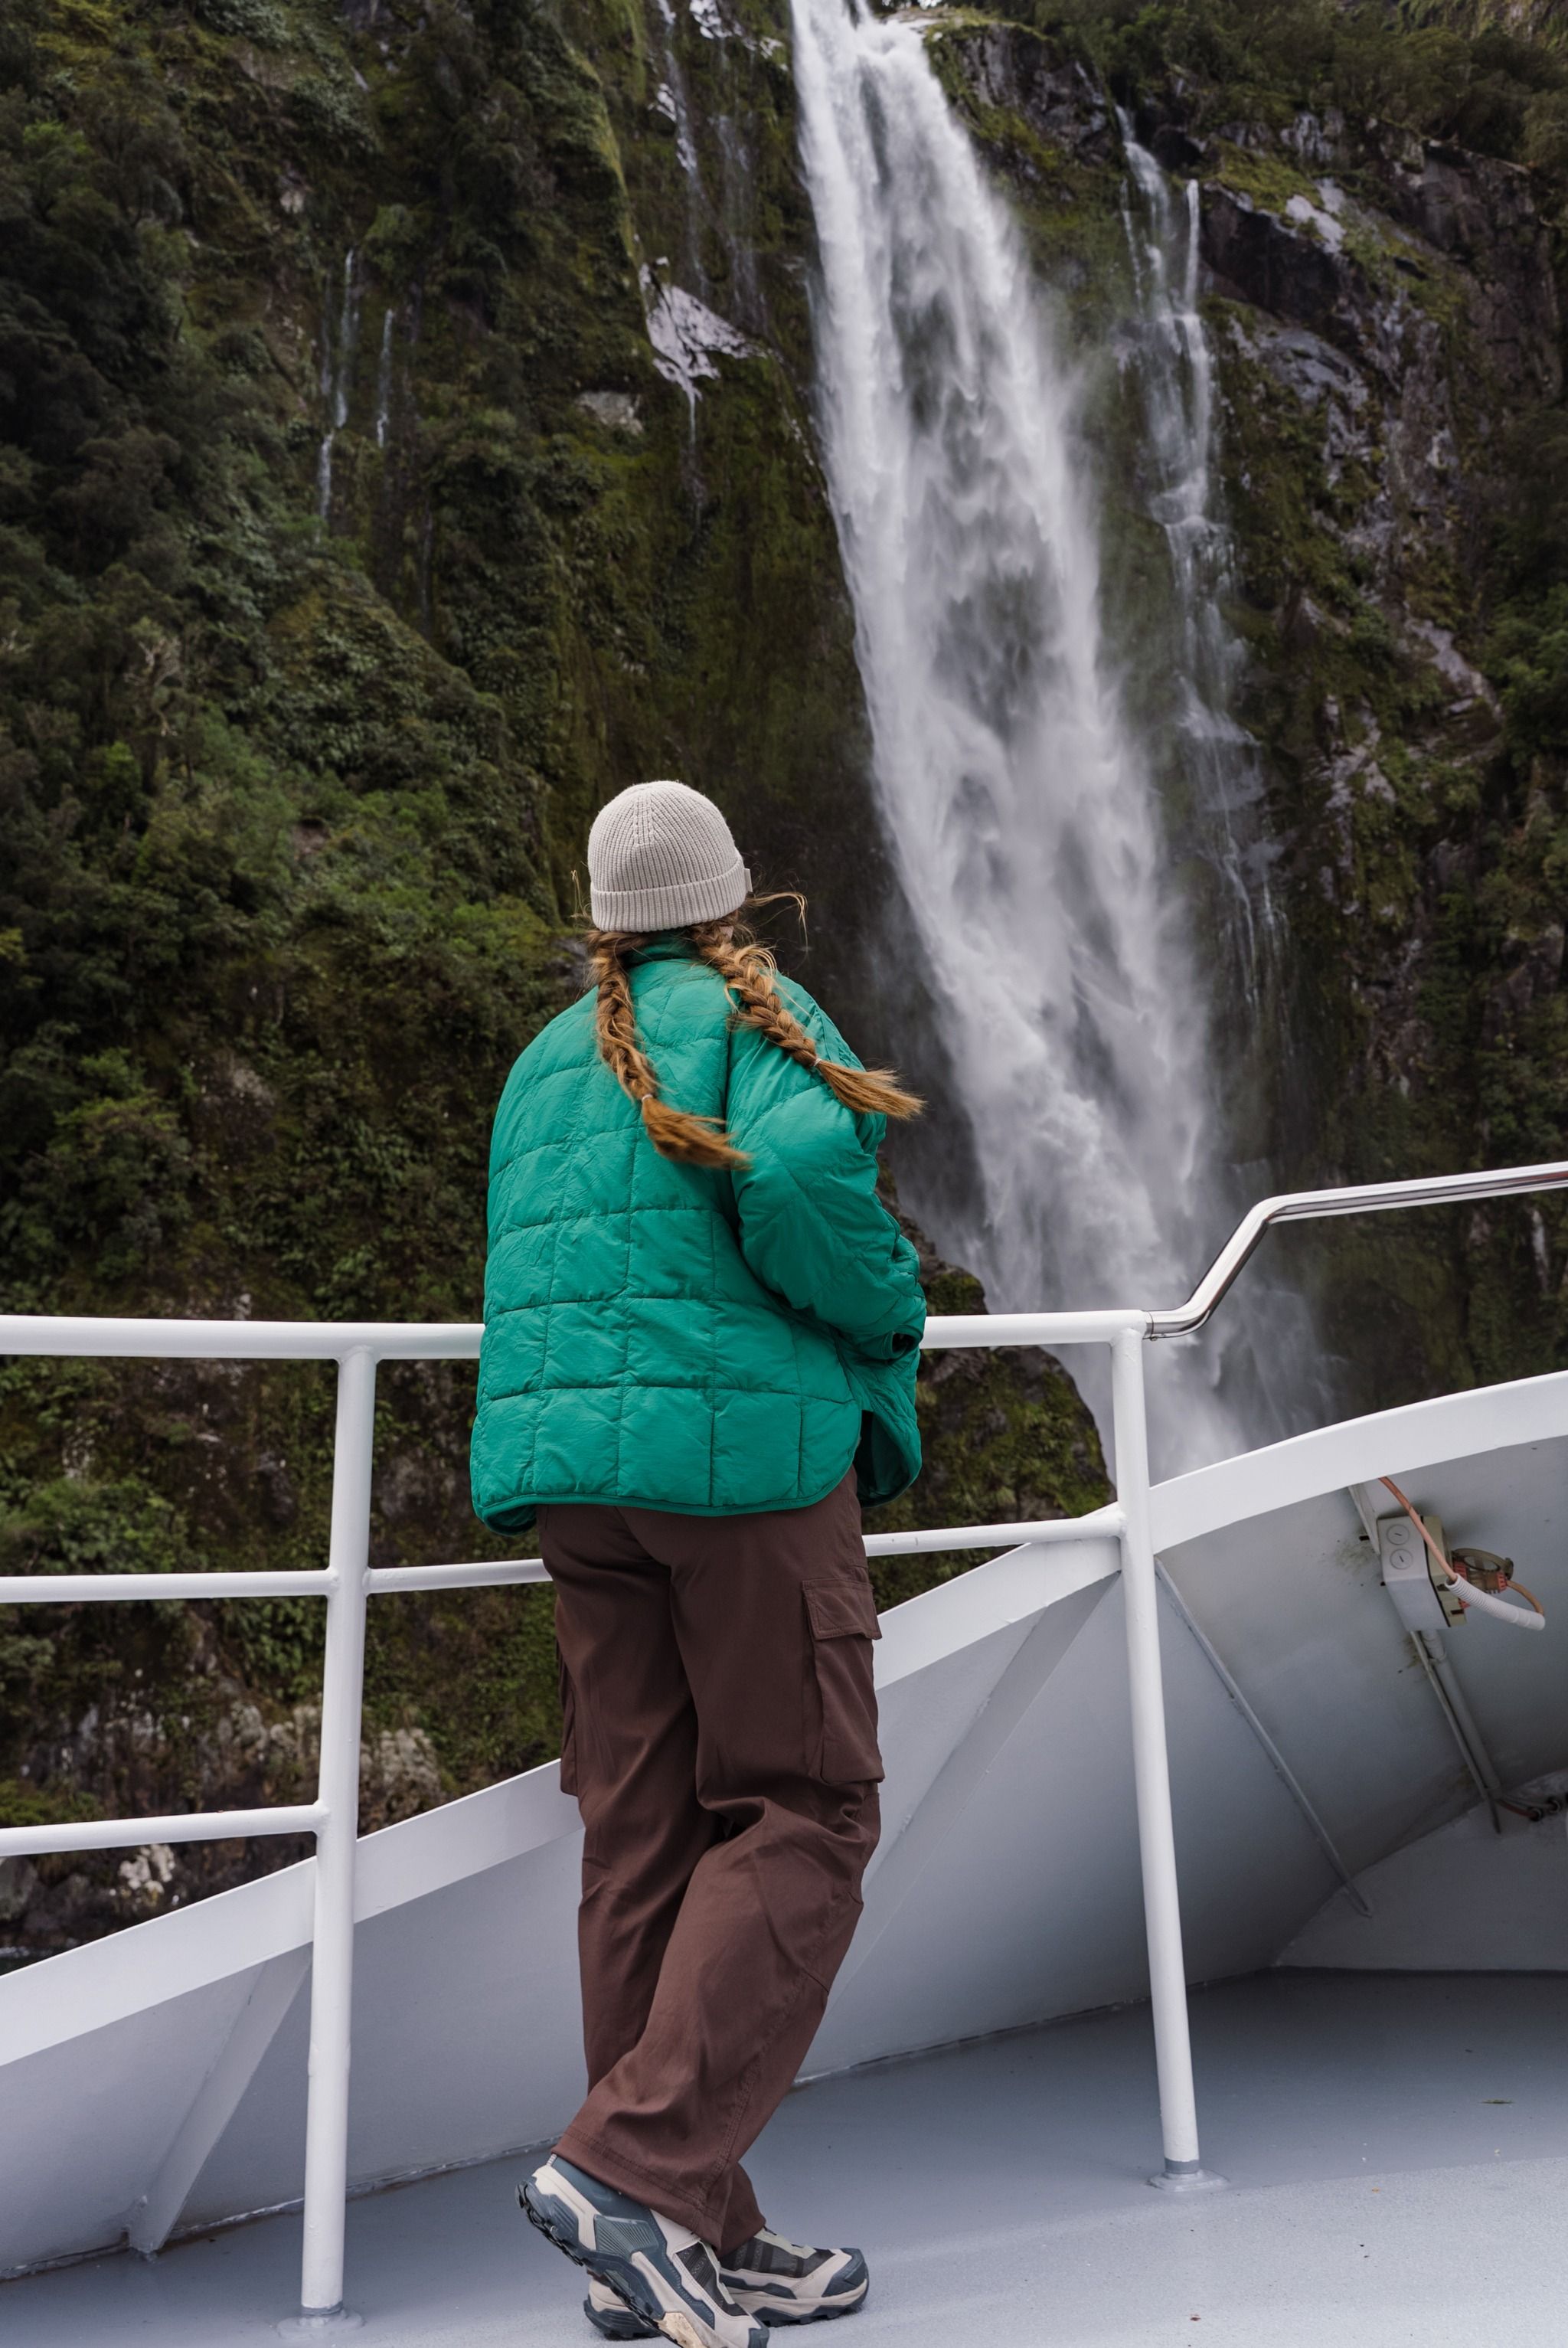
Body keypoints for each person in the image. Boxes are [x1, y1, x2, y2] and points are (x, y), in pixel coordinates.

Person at [470, 780, 926, 2348]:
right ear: (727, 905)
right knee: (805, 1807)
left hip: (581, 1492)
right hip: (736, 1469)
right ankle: (637, 2175)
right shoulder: (761, 1012)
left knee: (641, 1839)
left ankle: (687, 2236)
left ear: (601, 920)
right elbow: (802, 1184)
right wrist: (889, 1320)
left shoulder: (545, 1063)